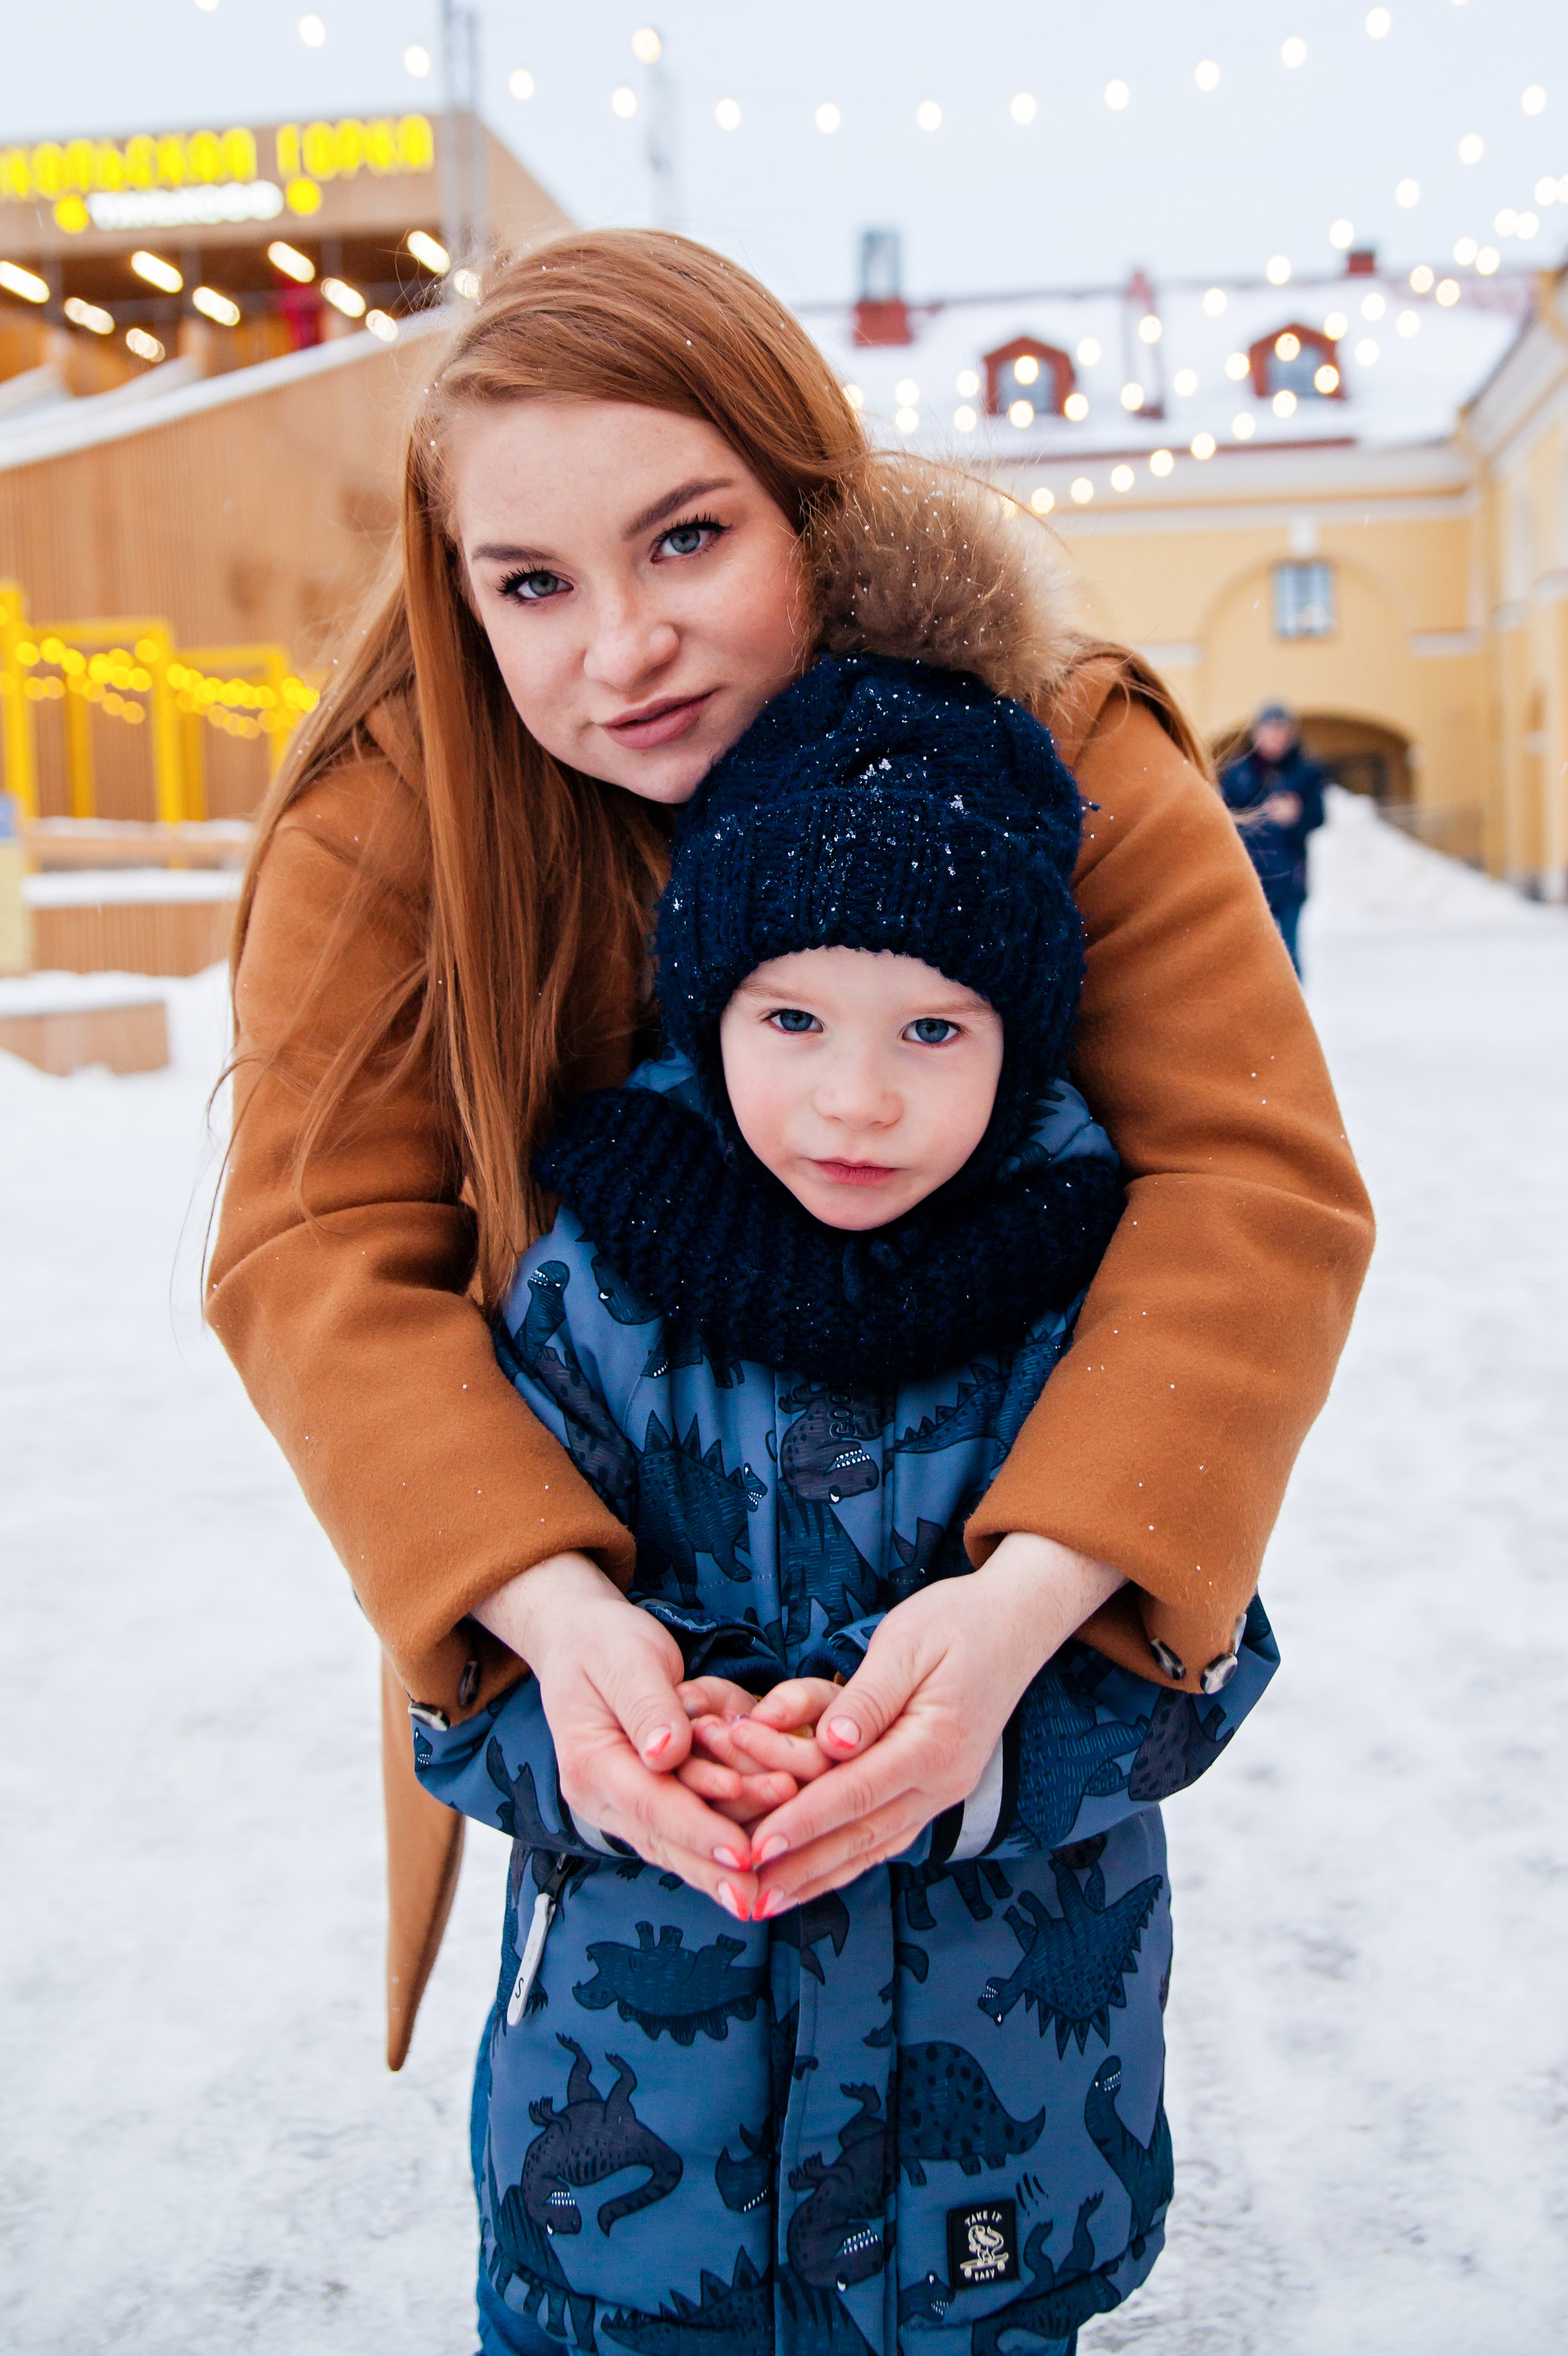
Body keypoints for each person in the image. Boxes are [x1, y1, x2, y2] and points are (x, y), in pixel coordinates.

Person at [207, 233, 1370, 2098]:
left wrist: (1025, 1599)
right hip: (606, 1687)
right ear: (462, 594)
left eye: (686, 539)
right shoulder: (401, 813)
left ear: (810, 503)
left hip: (992, 1648)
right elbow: (312, 1241)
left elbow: (1253, 1184)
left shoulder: (1055, 744)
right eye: (531, 580)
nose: (624, 643)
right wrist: (548, 1605)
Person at [414, 645, 1282, 2350]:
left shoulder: (1097, 1299)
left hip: (1004, 2164)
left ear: (1019, 1039)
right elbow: (458, 1691)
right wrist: (649, 1750)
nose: (858, 1096)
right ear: (705, 1011)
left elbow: (1206, 1654)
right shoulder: (589, 1296)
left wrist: (968, 1770)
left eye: (934, 1029)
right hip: (639, 2185)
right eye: (792, 1019)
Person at [1220, 701, 1327, 974]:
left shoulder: (1305, 771)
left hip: (1291, 878)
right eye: (1269, 730)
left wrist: (1297, 816)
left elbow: (1319, 817)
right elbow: (1223, 820)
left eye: (1281, 730)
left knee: (1289, 956)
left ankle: (1292, 1015)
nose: (1275, 737)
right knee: (1252, 957)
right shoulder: (1237, 773)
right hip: (1250, 878)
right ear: (1256, 734)